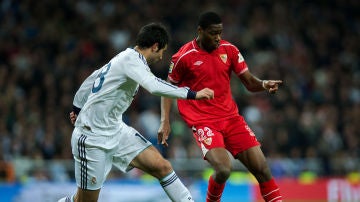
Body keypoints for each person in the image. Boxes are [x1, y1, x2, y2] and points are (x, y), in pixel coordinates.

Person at [58, 22, 214, 202]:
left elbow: (91, 79)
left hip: (116, 130)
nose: (162, 57)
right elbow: (154, 86)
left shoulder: (125, 58)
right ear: (155, 46)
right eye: (162, 51)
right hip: (92, 138)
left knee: (161, 166)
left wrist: (77, 108)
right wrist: (193, 94)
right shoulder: (131, 60)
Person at [158, 12, 283, 202]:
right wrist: (165, 121)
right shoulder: (184, 56)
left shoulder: (229, 50)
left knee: (262, 169)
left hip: (232, 119)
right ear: (200, 31)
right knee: (224, 170)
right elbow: (167, 89)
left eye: (220, 32)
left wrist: (264, 84)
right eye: (213, 33)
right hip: (203, 122)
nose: (217, 37)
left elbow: (249, 82)